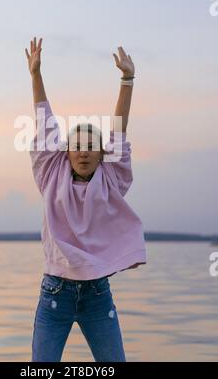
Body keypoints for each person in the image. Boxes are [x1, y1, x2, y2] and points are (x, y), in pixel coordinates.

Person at [25, 36, 147, 362]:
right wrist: (36, 75)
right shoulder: (51, 174)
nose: (83, 151)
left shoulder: (111, 180)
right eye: (76, 144)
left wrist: (127, 80)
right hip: (55, 293)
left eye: (90, 145)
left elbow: (119, 129)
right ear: (65, 152)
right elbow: (45, 123)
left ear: (101, 153)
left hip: (97, 295)